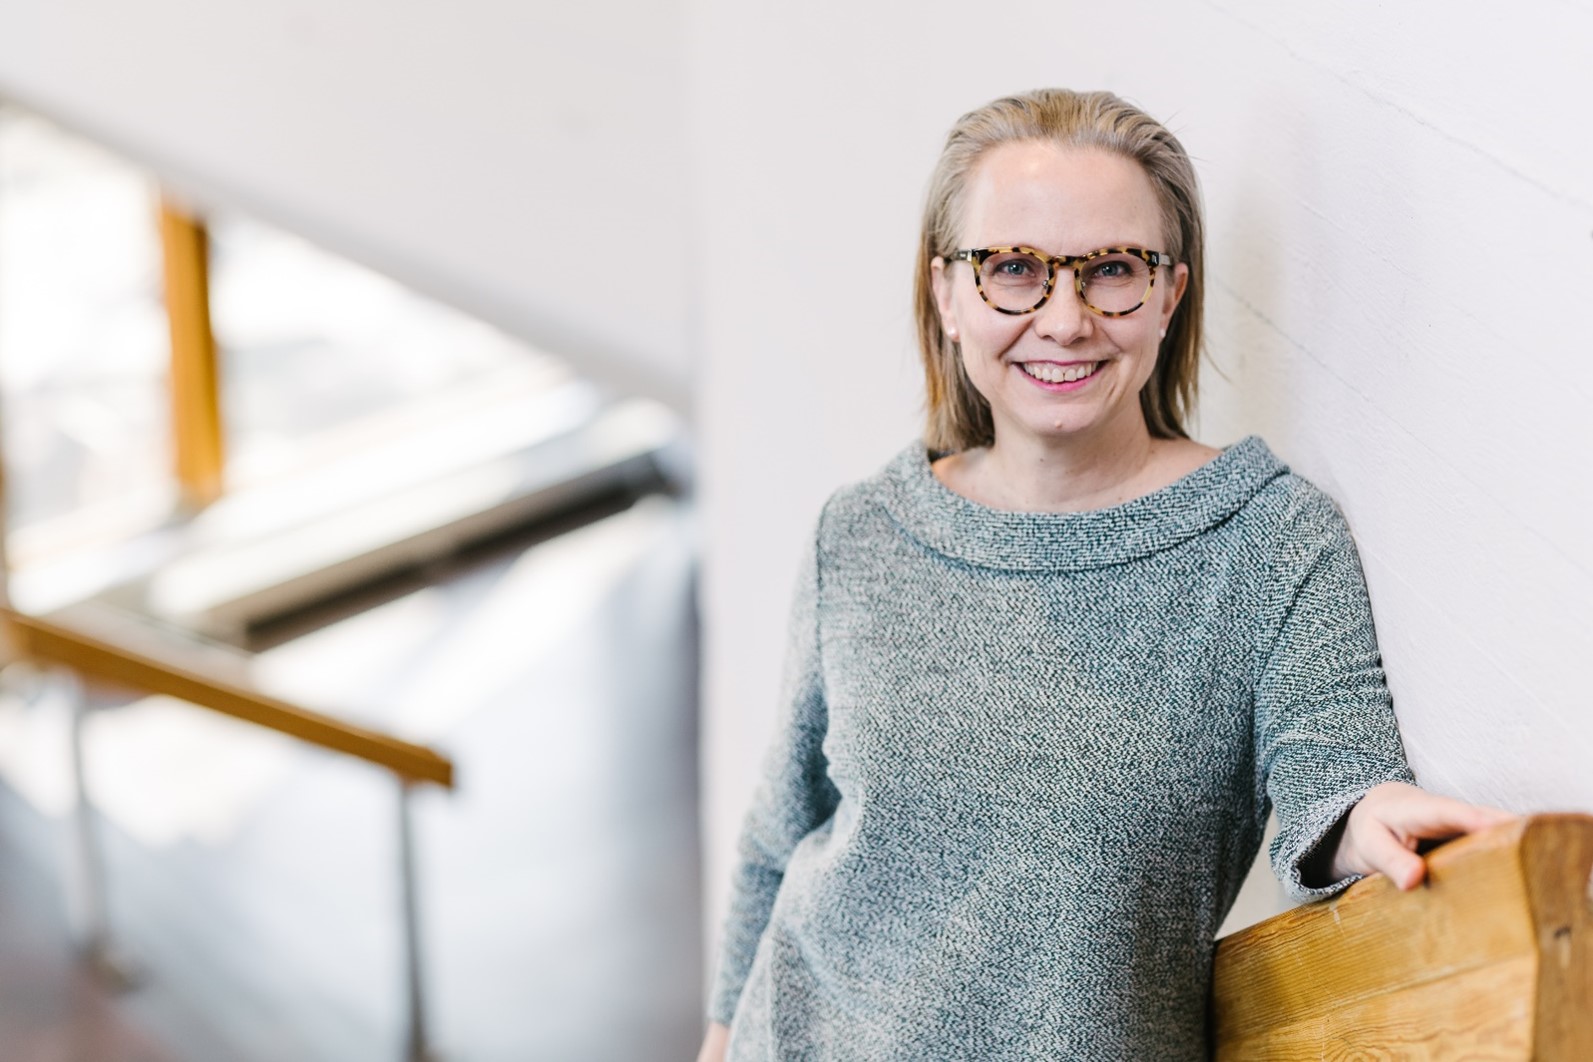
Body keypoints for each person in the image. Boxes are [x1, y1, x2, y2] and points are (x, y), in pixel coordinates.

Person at [696, 88, 1512, 1061]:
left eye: (1113, 270)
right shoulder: (863, 532)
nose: (1066, 318)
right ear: (947, 296)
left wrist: (1373, 818)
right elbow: (777, 837)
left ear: (1170, 293)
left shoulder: (1268, 537)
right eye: (1013, 269)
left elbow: (1333, 778)